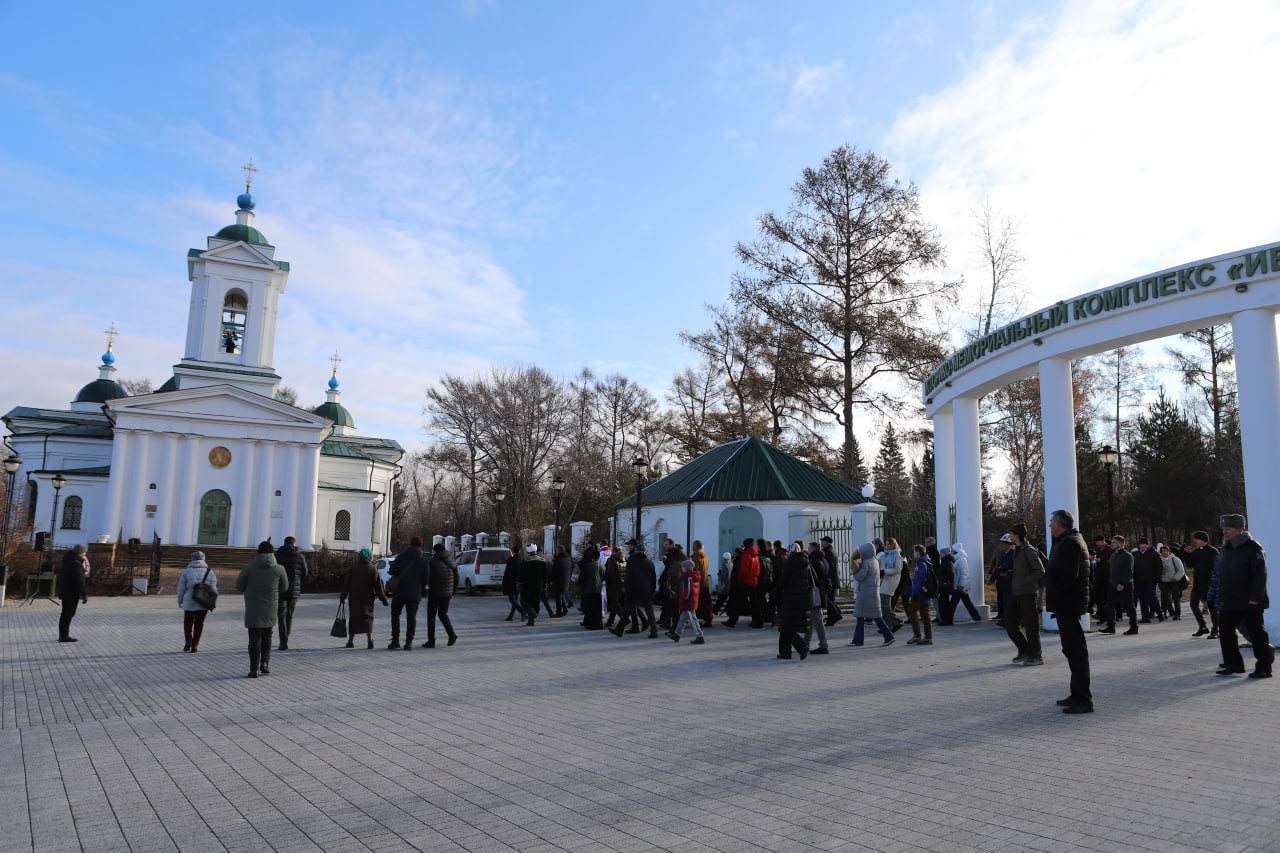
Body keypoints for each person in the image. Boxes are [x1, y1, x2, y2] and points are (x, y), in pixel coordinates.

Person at [1214, 513, 1272, 679]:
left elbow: (1260, 575)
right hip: (1230, 599)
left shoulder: (1253, 548)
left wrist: (1255, 597)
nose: (1225, 532)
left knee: (1256, 634)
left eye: (1228, 529)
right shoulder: (1226, 548)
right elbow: (1223, 575)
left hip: (1250, 600)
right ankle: (1233, 664)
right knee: (1225, 631)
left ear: (1240, 529)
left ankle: (1264, 667)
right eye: (1223, 528)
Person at [1045, 510, 1092, 713]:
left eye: (1051, 522)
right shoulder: (1068, 540)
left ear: (1059, 524)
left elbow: (1068, 576)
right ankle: (1077, 694)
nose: (1049, 526)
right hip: (1067, 604)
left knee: (1076, 652)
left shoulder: (1070, 543)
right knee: (1072, 651)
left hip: (1069, 604)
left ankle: (1083, 700)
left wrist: (1055, 592)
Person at [235, 541, 288, 676]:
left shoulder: (248, 568)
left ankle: (254, 669)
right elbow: (284, 588)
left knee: (254, 637)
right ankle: (265, 663)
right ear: (272, 553)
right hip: (270, 607)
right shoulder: (279, 569)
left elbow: (239, 587)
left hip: (253, 608)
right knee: (267, 635)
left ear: (258, 552)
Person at [1005, 524, 1045, 665]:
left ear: (1017, 535)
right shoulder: (1017, 550)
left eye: (1011, 533)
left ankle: (1036, 656)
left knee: (1031, 625)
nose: (1009, 536)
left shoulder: (1029, 550)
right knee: (1009, 623)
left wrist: (1024, 580)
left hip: (1028, 593)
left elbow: (1040, 571)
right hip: (1017, 592)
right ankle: (1024, 650)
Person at [340, 548, 388, 649]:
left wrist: (343, 596)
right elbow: (378, 586)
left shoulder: (353, 568)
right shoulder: (372, 569)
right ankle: (369, 639)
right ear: (369, 556)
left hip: (354, 598)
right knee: (368, 618)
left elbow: (347, 584)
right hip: (367, 599)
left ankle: (350, 641)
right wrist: (383, 599)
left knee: (354, 618)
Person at [849, 542, 895, 647]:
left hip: (865, 592)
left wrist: (855, 571)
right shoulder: (874, 561)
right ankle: (888, 637)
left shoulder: (866, 562)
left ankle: (858, 640)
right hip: (872, 591)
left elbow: (860, 577)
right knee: (875, 616)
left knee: (861, 617)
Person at [387, 537, 428, 649]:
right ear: (420, 545)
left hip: (399, 592)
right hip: (414, 594)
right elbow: (426, 579)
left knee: (395, 616)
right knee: (411, 617)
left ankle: (395, 640)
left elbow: (392, 571)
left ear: (410, 544)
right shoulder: (423, 561)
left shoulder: (401, 556)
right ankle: (408, 642)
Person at [774, 543, 812, 660]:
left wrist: (771, 593)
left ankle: (802, 647)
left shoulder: (790, 563)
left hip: (790, 599)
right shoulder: (806, 563)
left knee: (787, 626)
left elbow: (783, 581)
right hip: (802, 599)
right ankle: (785, 652)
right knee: (786, 626)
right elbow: (813, 579)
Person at [612, 545, 657, 638]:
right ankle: (654, 631)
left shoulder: (632, 562)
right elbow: (653, 579)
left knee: (626, 610)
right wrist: (652, 590)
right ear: (644, 552)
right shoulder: (650, 563)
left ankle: (619, 630)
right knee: (649, 611)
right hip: (646, 590)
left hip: (633, 590)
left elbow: (629, 577)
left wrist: (626, 588)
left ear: (636, 551)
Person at [176, 550, 217, 652]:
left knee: (188, 622)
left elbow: (181, 589)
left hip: (189, 600)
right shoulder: (210, 572)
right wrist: (212, 602)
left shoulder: (186, 571)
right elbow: (214, 590)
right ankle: (195, 645)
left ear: (192, 559)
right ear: (204, 559)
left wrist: (179, 601)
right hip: (203, 601)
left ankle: (188, 640)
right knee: (199, 624)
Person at [274, 536, 309, 651]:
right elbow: (305, 572)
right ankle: (285, 638)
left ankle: (283, 641)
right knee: (289, 615)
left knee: (281, 616)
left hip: (281, 590)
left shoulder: (277, 555)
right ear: (294, 544)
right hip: (294, 591)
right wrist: (298, 581)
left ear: (284, 543)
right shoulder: (300, 556)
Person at [1184, 532, 1220, 638]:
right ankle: (1203, 627)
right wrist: (1187, 554)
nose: (1195, 541)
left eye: (1197, 539)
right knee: (1193, 604)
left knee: (1212, 607)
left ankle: (1215, 630)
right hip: (1198, 584)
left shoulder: (1213, 551)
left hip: (1210, 584)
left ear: (1203, 540)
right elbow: (1190, 565)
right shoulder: (1196, 552)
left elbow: (1218, 568)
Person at [424, 543, 459, 648]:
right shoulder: (451, 561)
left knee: (431, 616)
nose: (432, 553)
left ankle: (431, 641)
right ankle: (452, 635)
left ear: (435, 551)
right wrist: (453, 592)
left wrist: (427, 587)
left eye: (433, 551)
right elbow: (457, 577)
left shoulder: (433, 562)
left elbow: (430, 578)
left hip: (435, 592)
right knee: (443, 614)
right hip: (448, 593)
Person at [723, 538, 763, 629]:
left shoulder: (747, 554)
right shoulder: (756, 554)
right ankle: (757, 621)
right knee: (754, 602)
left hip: (745, 581)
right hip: (754, 581)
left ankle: (732, 621)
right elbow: (758, 569)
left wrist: (739, 580)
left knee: (737, 601)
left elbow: (744, 570)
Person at [666, 558, 706, 644]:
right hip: (692, 599)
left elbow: (687, 590)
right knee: (682, 618)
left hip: (689, 600)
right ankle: (677, 634)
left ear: (686, 568)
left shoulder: (687, 577)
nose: (682, 569)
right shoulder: (693, 576)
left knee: (693, 619)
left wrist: (682, 599)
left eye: (683, 567)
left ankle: (699, 636)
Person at [57, 543, 89, 643]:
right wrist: (84, 594)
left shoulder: (67, 560)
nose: (85, 555)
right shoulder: (76, 563)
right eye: (84, 553)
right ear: (81, 553)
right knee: (68, 614)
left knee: (65, 614)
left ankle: (63, 635)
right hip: (71, 593)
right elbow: (79, 580)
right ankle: (64, 636)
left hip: (66, 591)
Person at [945, 542, 983, 622]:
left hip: (959, 586)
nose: (952, 552)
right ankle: (976, 617)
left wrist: (961, 585)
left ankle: (948, 620)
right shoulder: (959, 559)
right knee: (967, 602)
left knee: (953, 603)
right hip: (959, 585)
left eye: (953, 551)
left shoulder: (961, 560)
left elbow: (964, 573)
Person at [803, 544, 831, 654]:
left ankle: (823, 645)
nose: (808, 550)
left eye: (809, 549)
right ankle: (805, 642)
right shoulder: (824, 560)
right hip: (820, 593)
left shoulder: (813, 561)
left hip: (814, 594)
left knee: (817, 619)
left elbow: (811, 578)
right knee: (812, 618)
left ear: (813, 549)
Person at [906, 545, 935, 646]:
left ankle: (917, 635)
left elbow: (921, 580)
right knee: (925, 614)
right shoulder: (926, 561)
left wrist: (914, 593)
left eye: (914, 552)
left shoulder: (921, 563)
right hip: (923, 593)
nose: (913, 554)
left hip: (920, 594)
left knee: (912, 613)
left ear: (918, 552)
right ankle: (928, 637)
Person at [1133, 538, 1164, 623]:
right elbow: (1134, 567)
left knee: (1152, 597)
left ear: (1148, 545)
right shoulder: (1137, 554)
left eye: (1143, 544)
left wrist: (1157, 577)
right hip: (1139, 580)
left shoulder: (1154, 554)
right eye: (1140, 544)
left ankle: (1160, 614)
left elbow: (1159, 566)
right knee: (1142, 599)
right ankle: (1145, 617)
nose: (1141, 545)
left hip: (1151, 580)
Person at [878, 538, 906, 632]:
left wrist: (884, 571)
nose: (887, 546)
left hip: (891, 581)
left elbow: (898, 570)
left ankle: (896, 621)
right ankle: (888, 626)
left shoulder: (897, 556)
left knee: (884, 604)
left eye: (889, 544)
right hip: (884, 580)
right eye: (886, 544)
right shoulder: (884, 555)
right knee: (885, 605)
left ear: (894, 545)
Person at [990, 534, 1015, 625]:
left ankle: (1006, 620)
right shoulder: (1003, 553)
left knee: (1007, 601)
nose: (1001, 545)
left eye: (1002, 543)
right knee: (1002, 600)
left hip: (1008, 582)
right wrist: (992, 579)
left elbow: (1005, 566)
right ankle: (1003, 617)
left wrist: (1002, 569)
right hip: (1001, 582)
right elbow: (998, 567)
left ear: (1007, 544)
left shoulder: (1012, 553)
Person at [521, 545, 548, 626]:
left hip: (528, 585)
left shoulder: (526, 561)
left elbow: (521, 574)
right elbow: (545, 574)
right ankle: (532, 617)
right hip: (539, 584)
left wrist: (519, 583)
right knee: (536, 601)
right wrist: (545, 584)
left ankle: (531, 614)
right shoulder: (542, 560)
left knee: (526, 601)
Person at [1158, 543, 1186, 621]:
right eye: (1163, 551)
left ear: (1169, 551)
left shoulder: (1175, 559)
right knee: (1164, 598)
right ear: (1161, 552)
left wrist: (1176, 579)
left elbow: (1181, 570)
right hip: (1164, 581)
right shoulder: (1159, 560)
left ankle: (1177, 614)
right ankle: (1163, 613)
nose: (1165, 552)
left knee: (1175, 598)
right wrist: (1162, 571)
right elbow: (1156, 571)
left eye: (1166, 551)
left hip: (1174, 581)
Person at [579, 544, 603, 630]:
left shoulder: (587, 566)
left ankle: (589, 624)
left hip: (589, 590)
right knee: (597, 609)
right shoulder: (602, 567)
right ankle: (598, 624)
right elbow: (603, 577)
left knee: (589, 608)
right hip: (598, 590)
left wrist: (582, 587)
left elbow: (582, 578)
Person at [821, 536, 843, 626]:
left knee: (829, 599)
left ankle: (834, 617)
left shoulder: (828, 552)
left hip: (831, 580)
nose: (822, 543)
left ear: (827, 542)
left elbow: (829, 567)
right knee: (831, 600)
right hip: (833, 580)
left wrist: (826, 578)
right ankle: (835, 615)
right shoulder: (830, 550)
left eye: (823, 541)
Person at [691, 540, 713, 628]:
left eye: (693, 545)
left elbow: (695, 569)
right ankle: (708, 619)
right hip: (705, 581)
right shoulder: (705, 556)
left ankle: (695, 619)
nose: (692, 547)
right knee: (706, 602)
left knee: (697, 603)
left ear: (696, 546)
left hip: (698, 583)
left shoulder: (696, 557)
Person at [1090, 535, 1113, 621]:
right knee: (1098, 597)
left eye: (1098, 542)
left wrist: (1102, 561)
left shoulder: (1110, 550)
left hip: (1108, 576)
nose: (1097, 544)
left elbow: (1112, 561)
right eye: (1096, 543)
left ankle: (1108, 616)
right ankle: (1102, 615)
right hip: (1099, 576)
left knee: (1107, 598)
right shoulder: (1098, 550)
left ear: (1103, 541)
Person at [604, 546, 627, 629]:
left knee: (615, 603)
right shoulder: (625, 561)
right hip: (621, 584)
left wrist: (606, 580)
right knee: (615, 603)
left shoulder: (612, 561)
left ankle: (621, 619)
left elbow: (610, 574)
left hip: (613, 585)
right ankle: (613, 620)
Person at [502, 543, 525, 622]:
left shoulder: (511, 560)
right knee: (515, 599)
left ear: (513, 551)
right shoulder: (522, 560)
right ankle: (511, 616)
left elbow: (507, 572)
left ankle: (522, 612)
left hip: (512, 582)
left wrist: (504, 583)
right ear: (519, 551)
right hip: (520, 582)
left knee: (512, 599)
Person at [935, 547, 957, 624]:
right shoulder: (945, 562)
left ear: (945, 554)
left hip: (945, 586)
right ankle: (946, 620)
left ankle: (946, 620)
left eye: (941, 553)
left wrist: (941, 578)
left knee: (943, 604)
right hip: (945, 586)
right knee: (944, 603)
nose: (940, 554)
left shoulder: (947, 563)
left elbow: (949, 574)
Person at [550, 546, 573, 617]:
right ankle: (565, 609)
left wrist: (551, 579)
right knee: (562, 595)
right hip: (566, 579)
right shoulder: (568, 558)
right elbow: (571, 568)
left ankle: (559, 612)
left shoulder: (558, 559)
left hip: (558, 580)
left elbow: (554, 570)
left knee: (558, 596)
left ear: (559, 550)